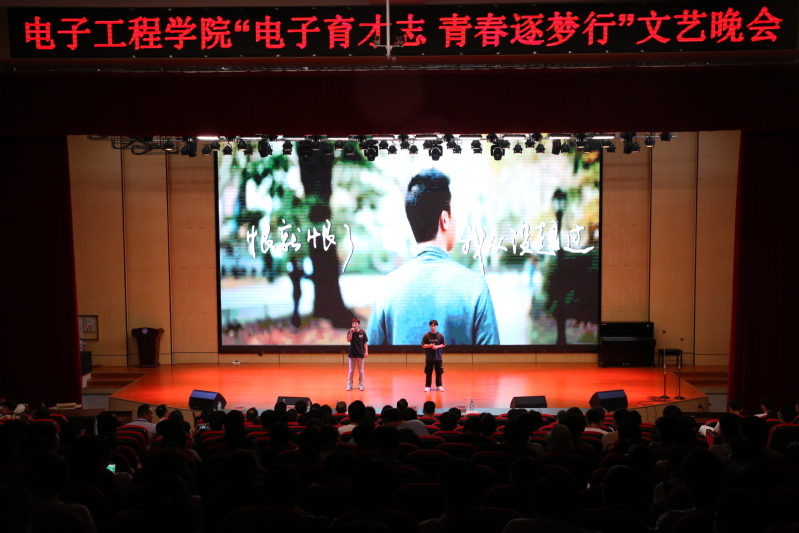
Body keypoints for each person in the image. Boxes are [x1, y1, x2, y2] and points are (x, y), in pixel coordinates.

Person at [367, 169, 500, 346]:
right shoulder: (475, 288)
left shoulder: (387, 289)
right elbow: (492, 359)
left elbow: (371, 358)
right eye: (454, 214)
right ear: (444, 219)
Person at [422, 319, 446, 392]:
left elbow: (443, 344)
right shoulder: (426, 336)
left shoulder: (440, 335)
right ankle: (428, 386)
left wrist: (437, 347)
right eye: (431, 326)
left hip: (438, 357)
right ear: (429, 326)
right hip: (429, 357)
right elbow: (423, 345)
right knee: (428, 372)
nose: (433, 327)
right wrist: (430, 345)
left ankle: (439, 386)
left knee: (439, 372)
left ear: (437, 326)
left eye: (434, 326)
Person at [346, 317, 368, 391]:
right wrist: (351, 333)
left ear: (358, 324)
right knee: (351, 371)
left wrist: (366, 352)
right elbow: (348, 340)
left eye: (355, 324)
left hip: (360, 355)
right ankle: (349, 385)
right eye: (353, 324)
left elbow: (365, 343)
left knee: (361, 371)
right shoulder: (350, 332)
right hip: (352, 354)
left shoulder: (362, 332)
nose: (354, 325)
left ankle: (361, 385)